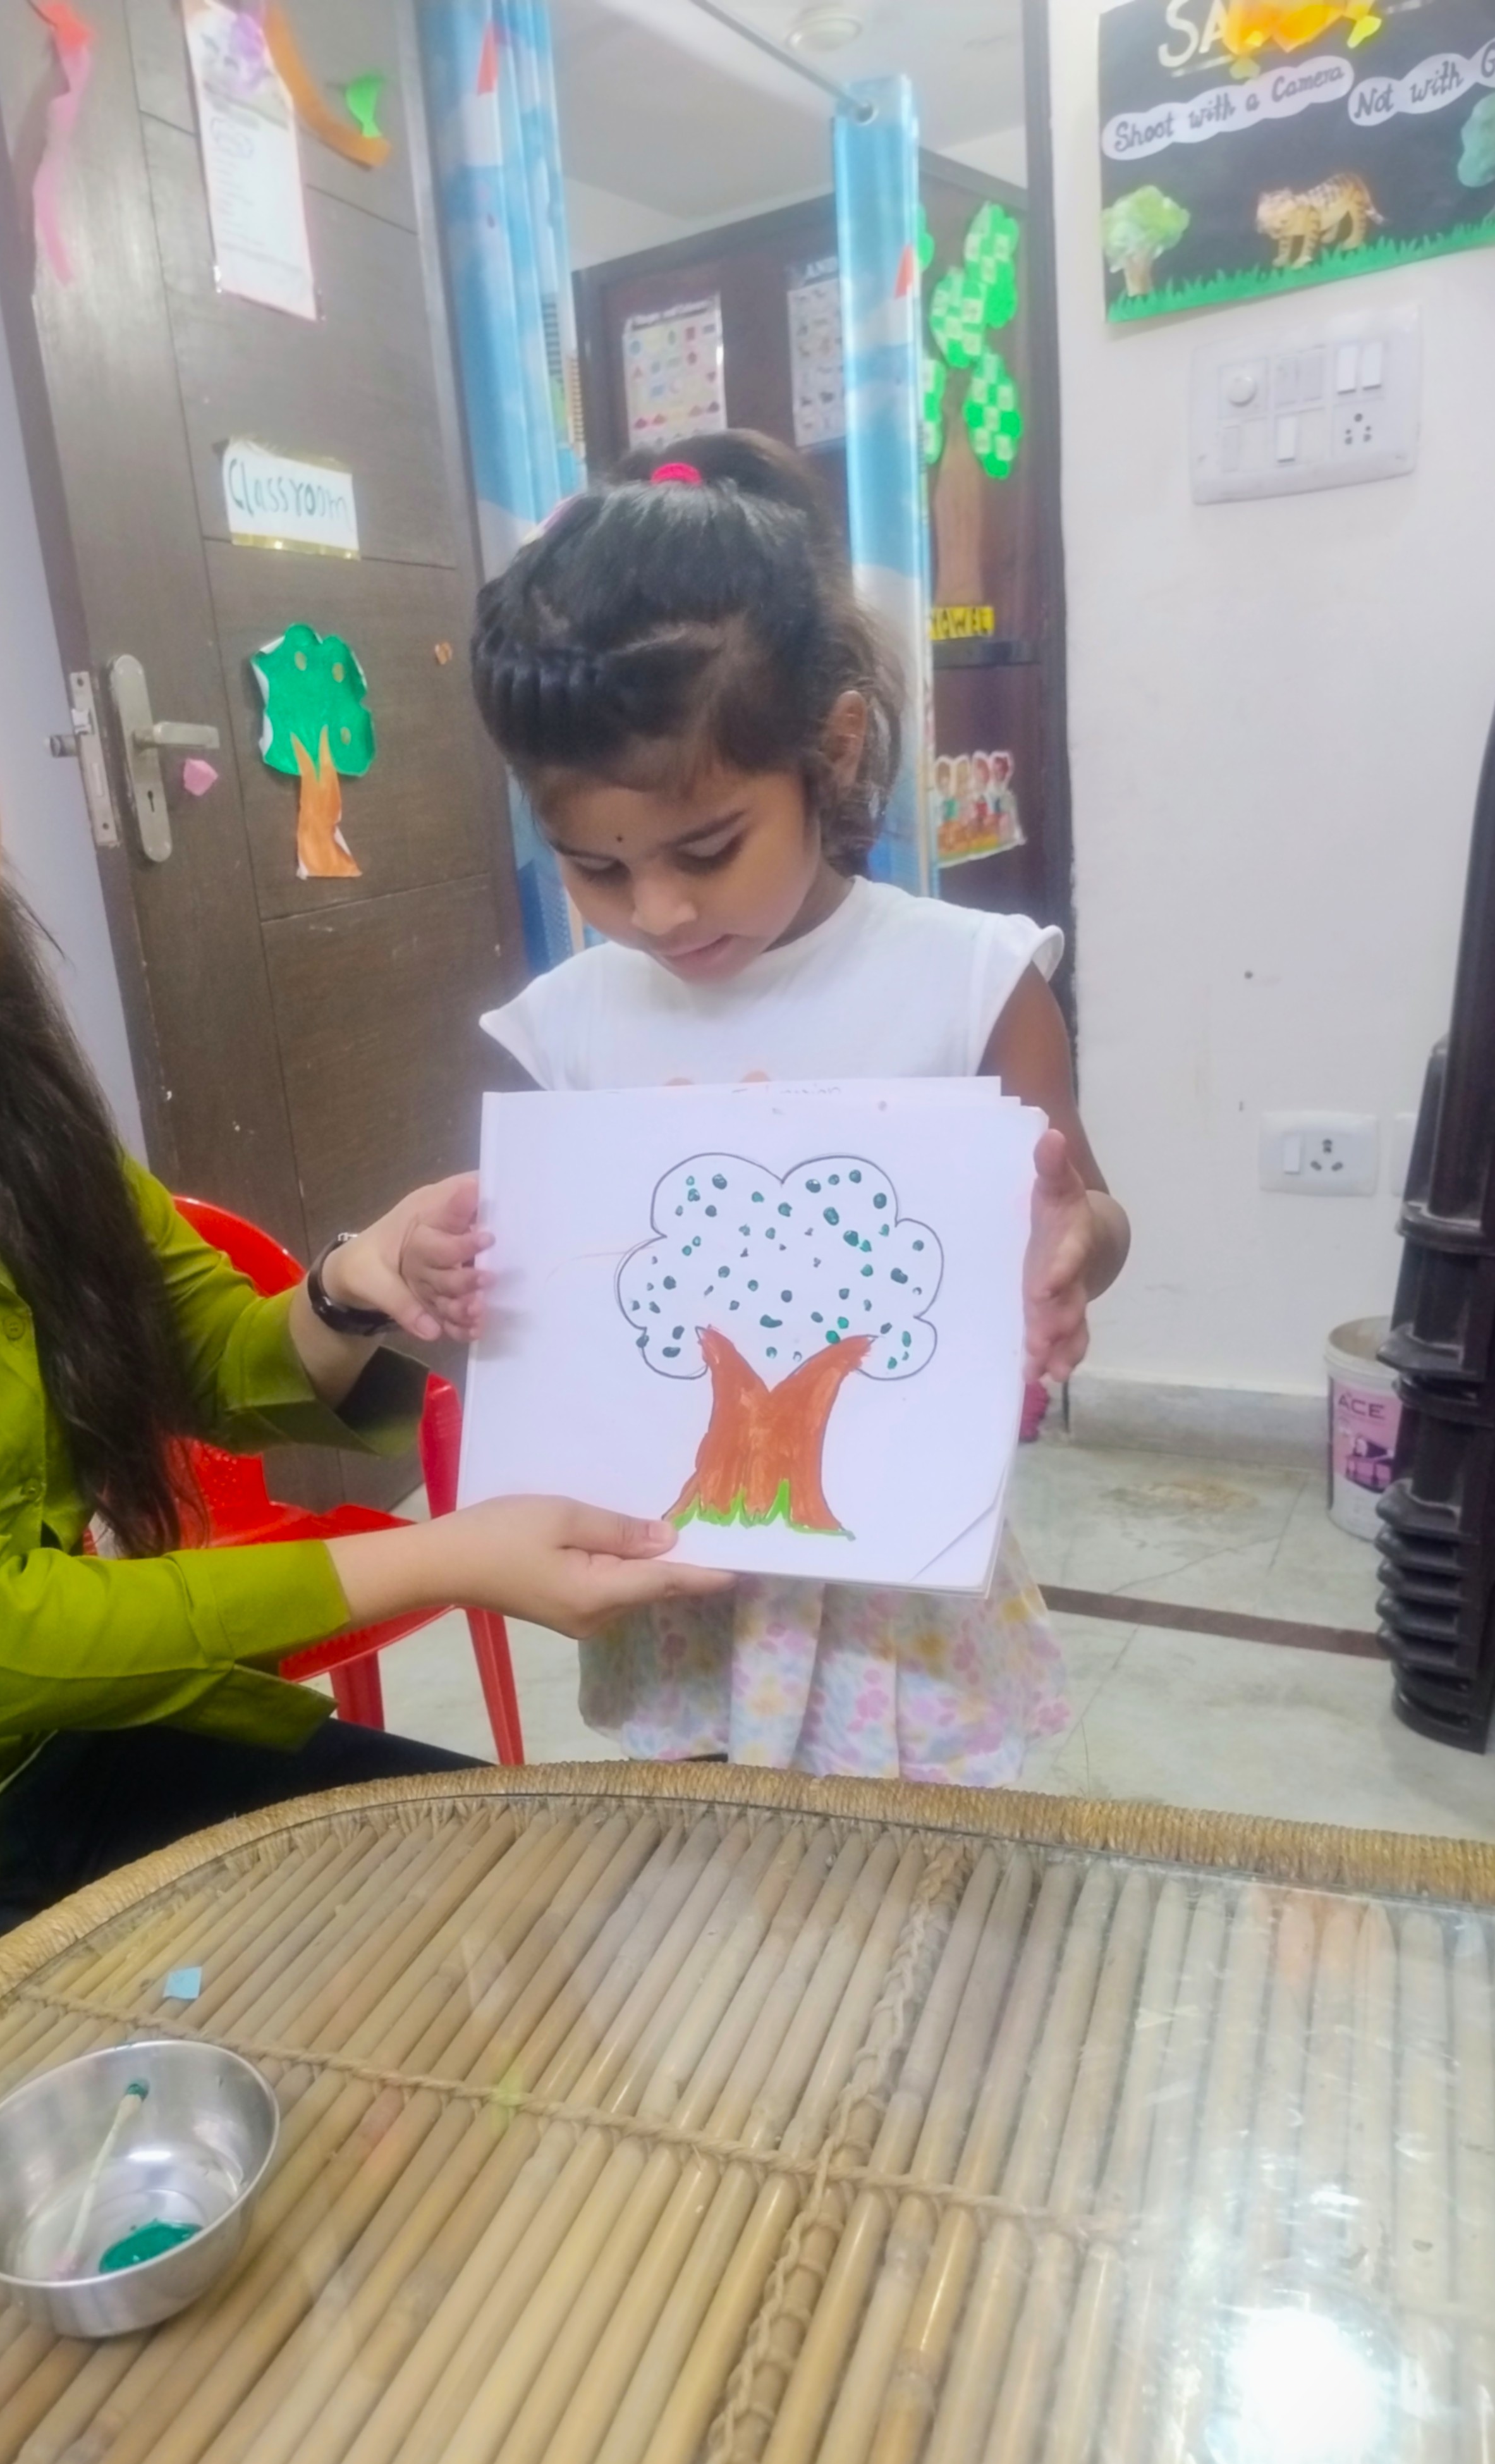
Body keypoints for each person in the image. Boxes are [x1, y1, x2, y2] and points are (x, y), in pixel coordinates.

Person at [0, 503, 726, 2200]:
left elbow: (207, 1351)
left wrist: (361, 1283)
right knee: (92, 2238)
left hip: (58, 1757)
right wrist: (445, 1558)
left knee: (526, 1901)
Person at [412, 432, 1129, 1785]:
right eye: (596, 867)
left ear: (833, 751)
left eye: (706, 849)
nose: (660, 911)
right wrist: (450, 1277)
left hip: (903, 1609)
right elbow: (550, 1305)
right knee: (718, 1917)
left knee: (928, 1923)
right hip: (674, 1592)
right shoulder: (565, 1030)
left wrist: (1073, 1244)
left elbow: (1087, 1212)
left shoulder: (965, 983)